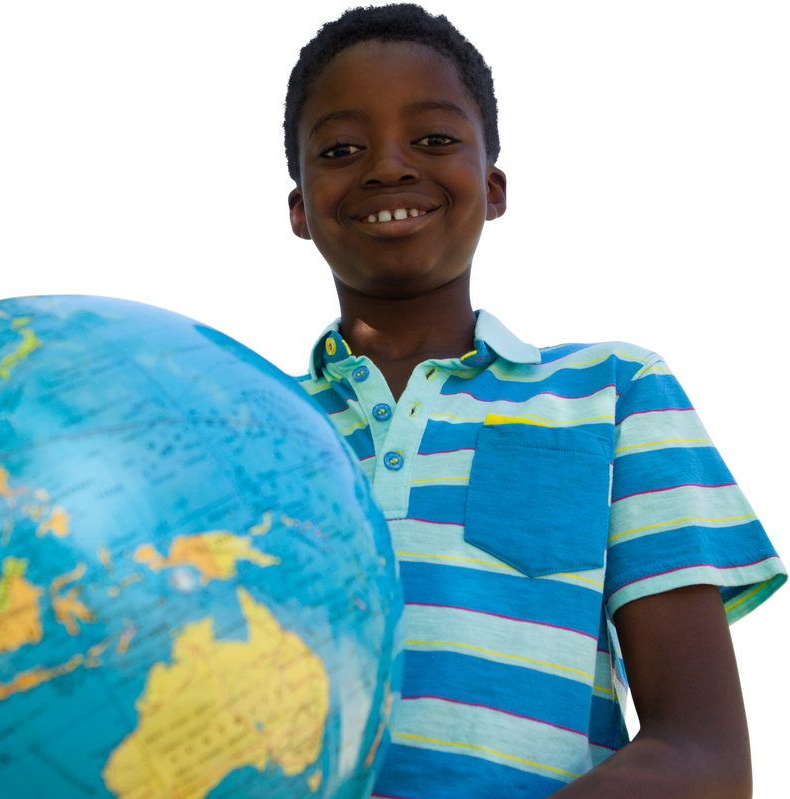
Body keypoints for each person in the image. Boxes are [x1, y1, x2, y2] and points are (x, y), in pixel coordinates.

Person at [279, 2, 786, 797]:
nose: (388, 166)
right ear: (299, 210)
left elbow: (704, 755)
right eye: (342, 149)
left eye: (434, 138)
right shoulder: (238, 429)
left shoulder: (615, 390)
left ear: (495, 187)